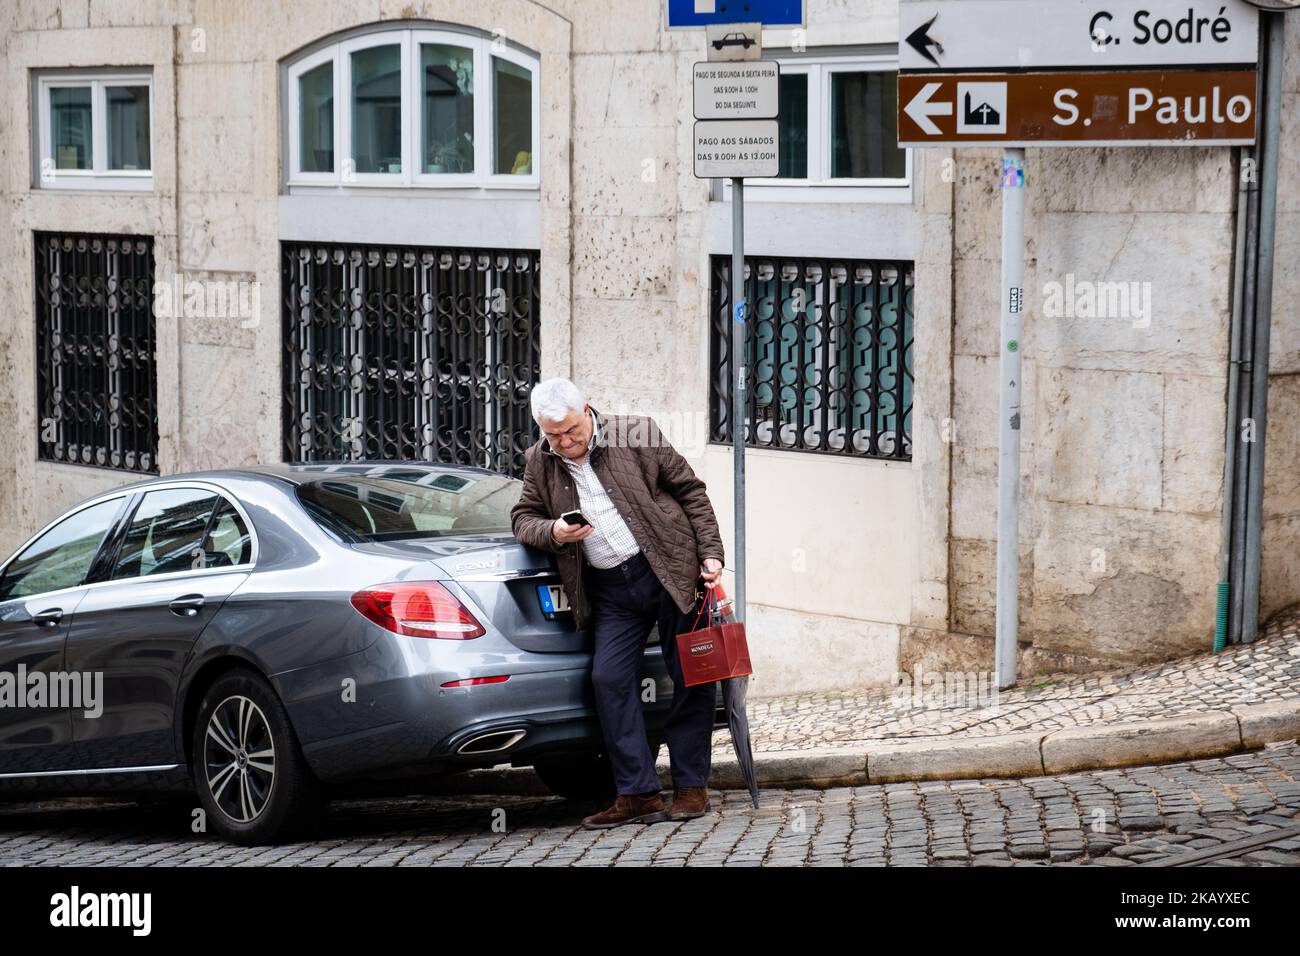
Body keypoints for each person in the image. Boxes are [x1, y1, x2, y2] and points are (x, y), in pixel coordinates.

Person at [510, 377, 725, 828]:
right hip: (609, 588)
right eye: (554, 436)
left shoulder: (637, 433)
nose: (565, 443)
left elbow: (690, 490)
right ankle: (638, 793)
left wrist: (710, 551)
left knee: (689, 672)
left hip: (668, 568)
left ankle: (691, 787)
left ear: (586, 409)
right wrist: (554, 532)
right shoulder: (539, 459)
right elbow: (522, 518)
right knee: (608, 679)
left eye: (571, 431)